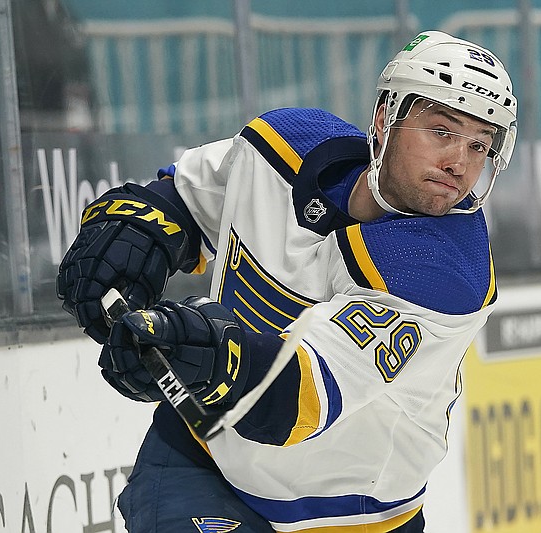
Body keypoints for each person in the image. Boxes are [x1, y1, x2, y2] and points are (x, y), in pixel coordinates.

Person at [57, 30, 517, 533]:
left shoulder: (447, 272)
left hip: (348, 516)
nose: (459, 163)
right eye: (441, 132)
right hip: (202, 459)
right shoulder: (284, 146)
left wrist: (198, 352)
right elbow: (186, 198)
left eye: (479, 146)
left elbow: (297, 395)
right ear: (386, 120)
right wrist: (134, 231)